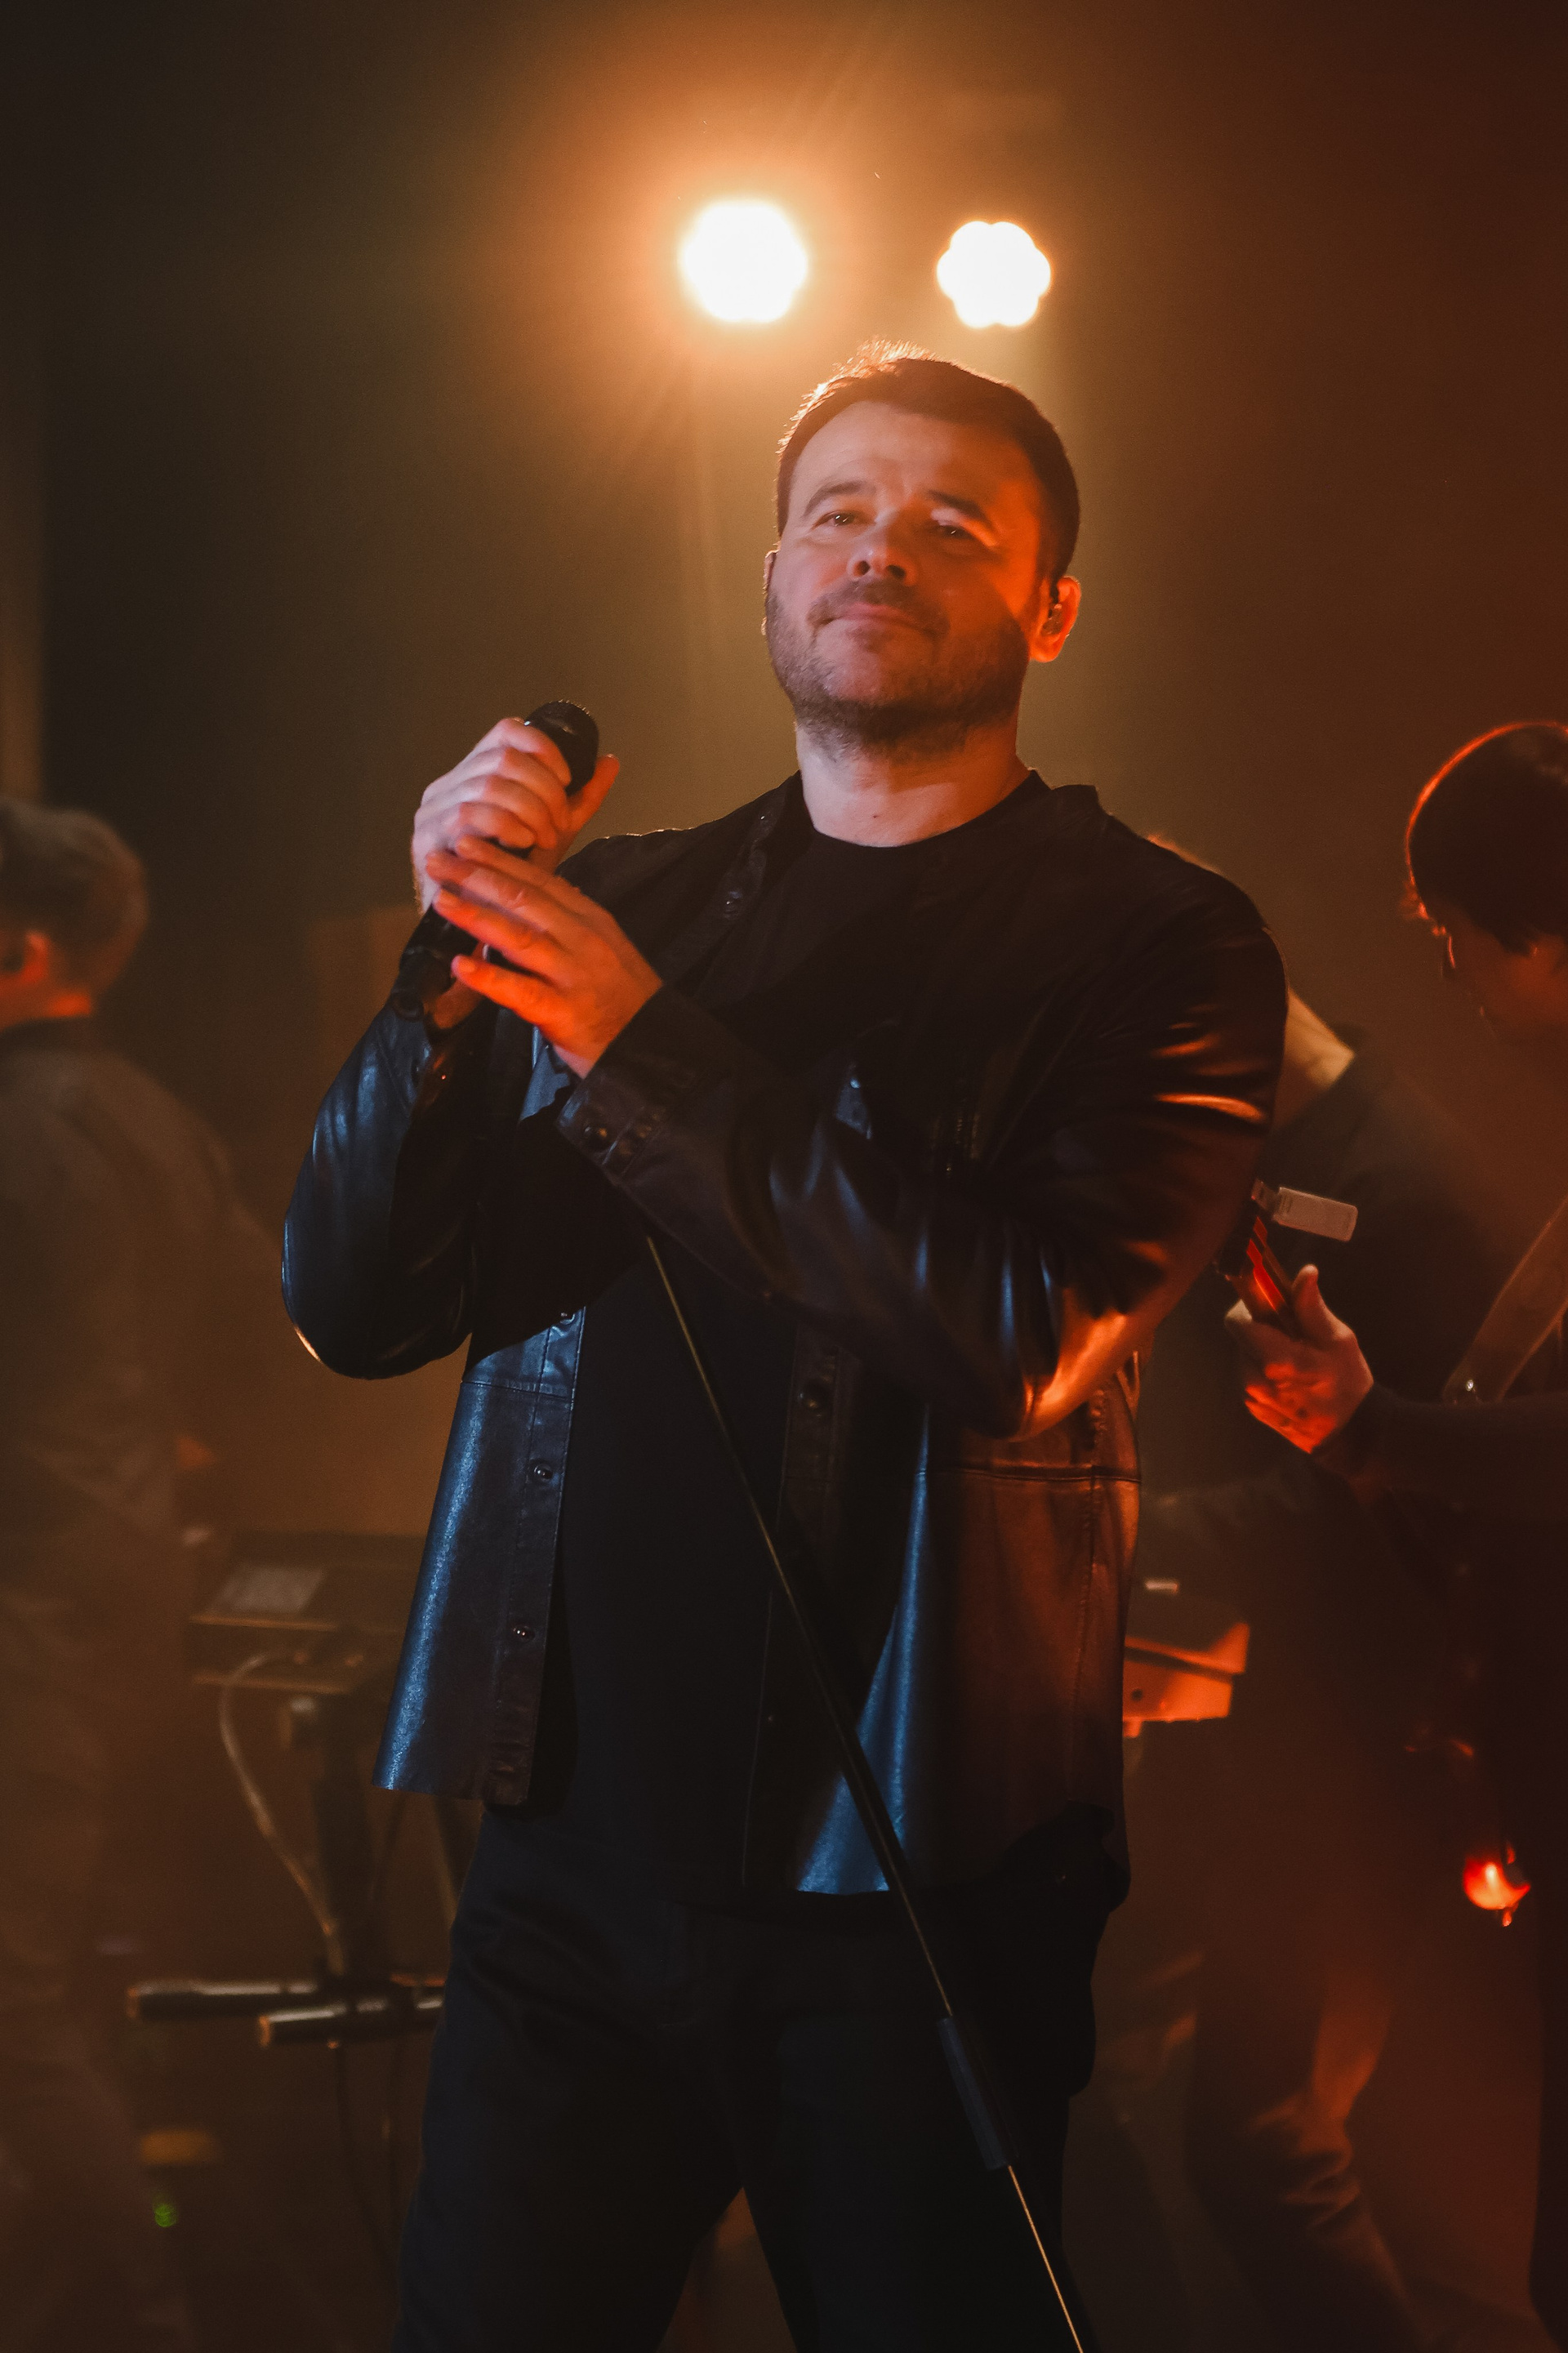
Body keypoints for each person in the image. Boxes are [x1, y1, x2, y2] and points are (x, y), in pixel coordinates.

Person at [283, 345, 1286, 2352]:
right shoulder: (630, 901)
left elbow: (1022, 1328)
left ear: (1052, 609)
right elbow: (358, 1302)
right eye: (837, 512)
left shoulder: (1154, 940)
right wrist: (445, 978)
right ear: (771, 581)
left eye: (949, 523)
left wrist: (640, 1048)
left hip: (908, 1867)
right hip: (571, 1848)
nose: (878, 551)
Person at [1230, 720, 1568, 2351]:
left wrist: (1377, 1433)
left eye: (1454, 938)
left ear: (1536, 936)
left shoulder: (1412, 1176)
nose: (1452, 980)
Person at [1128, 986, 1502, 2351]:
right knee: (1255, 2122)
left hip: (1369, 1745)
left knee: (1265, 2134)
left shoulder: (1407, 1193)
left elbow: (1410, 1506)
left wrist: (1131, 1526)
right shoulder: (1284, 1165)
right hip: (1293, 1716)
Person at [0, 800, 273, 2350]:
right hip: (128, 1616)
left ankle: (137, 2323)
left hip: (23, 1617)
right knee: (67, 2002)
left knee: (13, 2014)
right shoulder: (163, 1126)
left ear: (25, 948)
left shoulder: (15, 1131)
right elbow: (264, 1338)